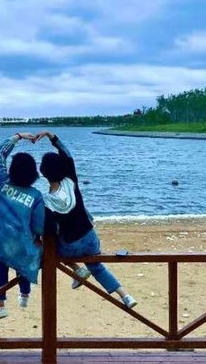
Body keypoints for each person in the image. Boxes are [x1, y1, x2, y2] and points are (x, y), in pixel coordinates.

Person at [36, 131, 137, 308]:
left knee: (50, 251)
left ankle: (77, 270)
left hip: (70, 249)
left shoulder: (46, 201)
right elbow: (67, 154)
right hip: (91, 239)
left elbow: (50, 230)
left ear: (43, 173)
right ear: (61, 168)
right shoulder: (70, 181)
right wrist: (50, 136)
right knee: (97, 266)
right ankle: (126, 295)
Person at [0, 132, 45, 320]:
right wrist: (38, 238)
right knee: (24, 260)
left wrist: (18, 136)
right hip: (20, 246)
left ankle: (0, 305)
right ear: (33, 173)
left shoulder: (1, 181)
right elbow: (39, 226)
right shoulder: (35, 195)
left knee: (0, 266)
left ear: (12, 169)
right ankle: (24, 294)